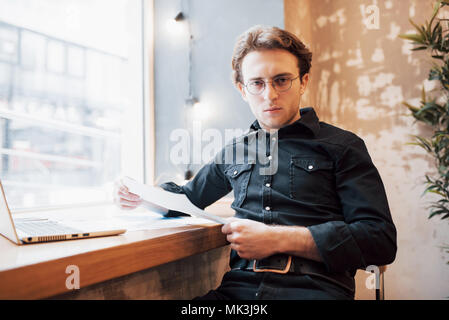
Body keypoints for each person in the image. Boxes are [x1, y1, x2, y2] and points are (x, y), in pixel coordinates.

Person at [115, 25, 397, 300]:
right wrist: (141, 196)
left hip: (315, 290)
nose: (270, 95)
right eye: (257, 83)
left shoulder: (343, 146)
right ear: (242, 89)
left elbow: (379, 241)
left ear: (304, 81)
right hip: (237, 292)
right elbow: (187, 199)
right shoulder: (234, 152)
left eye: (282, 80)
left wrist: (277, 239)